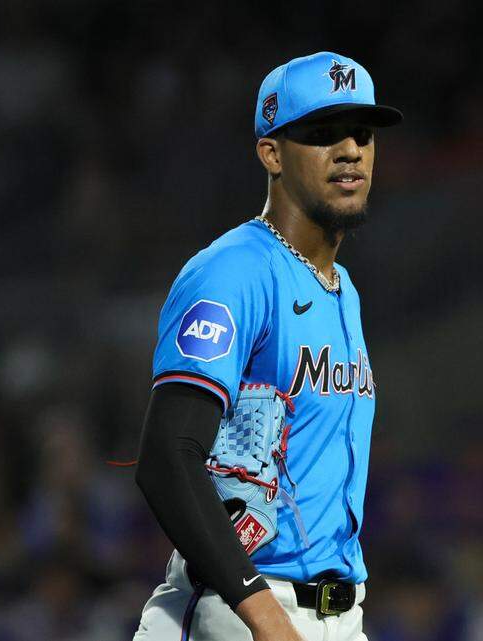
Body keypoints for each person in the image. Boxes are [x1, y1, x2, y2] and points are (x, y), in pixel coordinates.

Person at [131, 51, 403, 641]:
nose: (351, 149)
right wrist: (264, 617)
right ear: (271, 152)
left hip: (338, 613)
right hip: (237, 610)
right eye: (322, 133)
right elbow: (167, 456)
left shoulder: (341, 288)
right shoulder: (235, 272)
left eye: (362, 132)